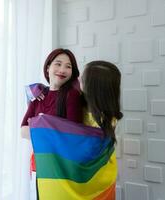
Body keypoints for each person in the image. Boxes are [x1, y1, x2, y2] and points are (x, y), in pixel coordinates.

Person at [28, 60, 122, 199]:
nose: (77, 80)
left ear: (92, 87)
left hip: (87, 176)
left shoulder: (102, 118)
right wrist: (36, 89)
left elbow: (80, 149)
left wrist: (44, 123)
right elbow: (56, 86)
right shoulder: (84, 102)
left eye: (82, 78)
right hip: (101, 176)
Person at [20, 48, 84, 200]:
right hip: (40, 165)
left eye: (68, 66)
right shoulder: (38, 96)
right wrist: (50, 129)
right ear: (48, 67)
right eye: (58, 64)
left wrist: (38, 127)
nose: (62, 70)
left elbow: (72, 135)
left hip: (61, 167)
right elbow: (23, 131)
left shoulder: (72, 95)